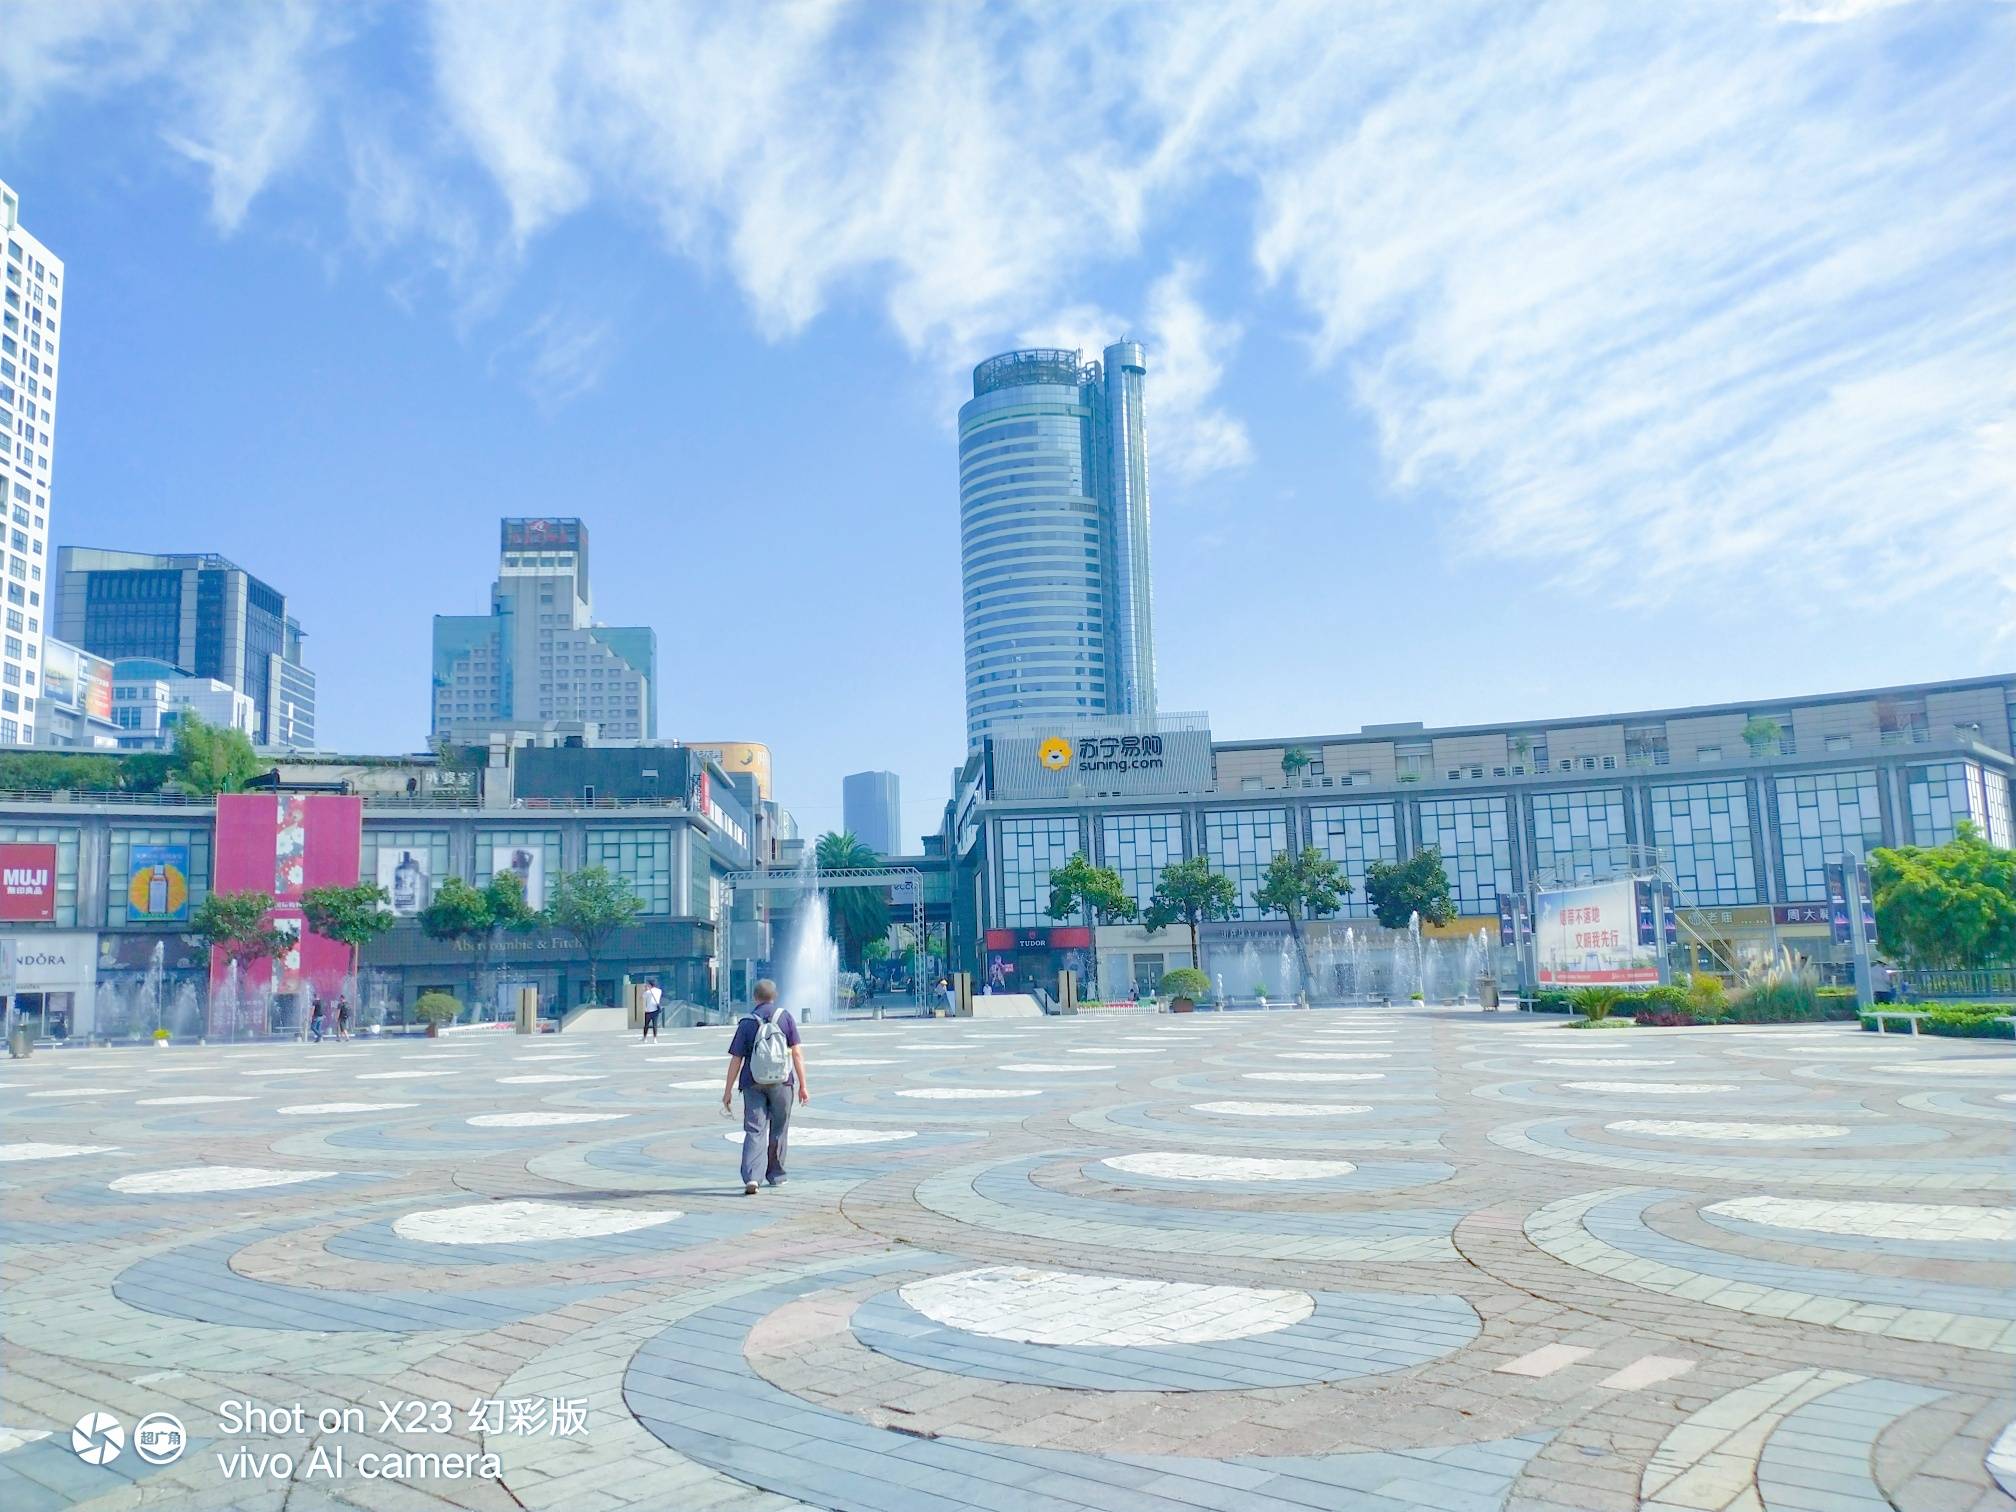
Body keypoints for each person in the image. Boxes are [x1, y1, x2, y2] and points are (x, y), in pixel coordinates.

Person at [721, 979, 807, 1195]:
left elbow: (736, 1059)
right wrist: (803, 1086)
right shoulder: (785, 1018)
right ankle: (776, 1175)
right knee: (779, 1128)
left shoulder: (747, 1023)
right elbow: (797, 1053)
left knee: (754, 1129)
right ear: (774, 996)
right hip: (782, 1082)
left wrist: (728, 1090)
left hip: (753, 1082)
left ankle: (752, 1177)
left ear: (754, 997)